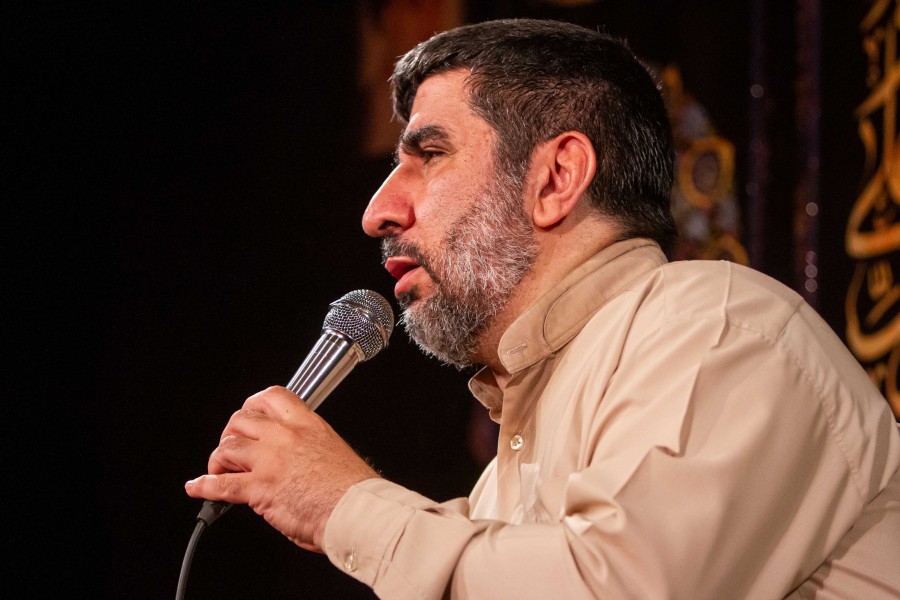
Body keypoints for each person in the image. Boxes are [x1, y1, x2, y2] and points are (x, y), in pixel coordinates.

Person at [185, 19, 900, 598]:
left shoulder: (716, 327)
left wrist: (342, 503)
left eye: (429, 155)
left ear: (556, 178)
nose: (378, 211)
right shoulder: (507, 472)